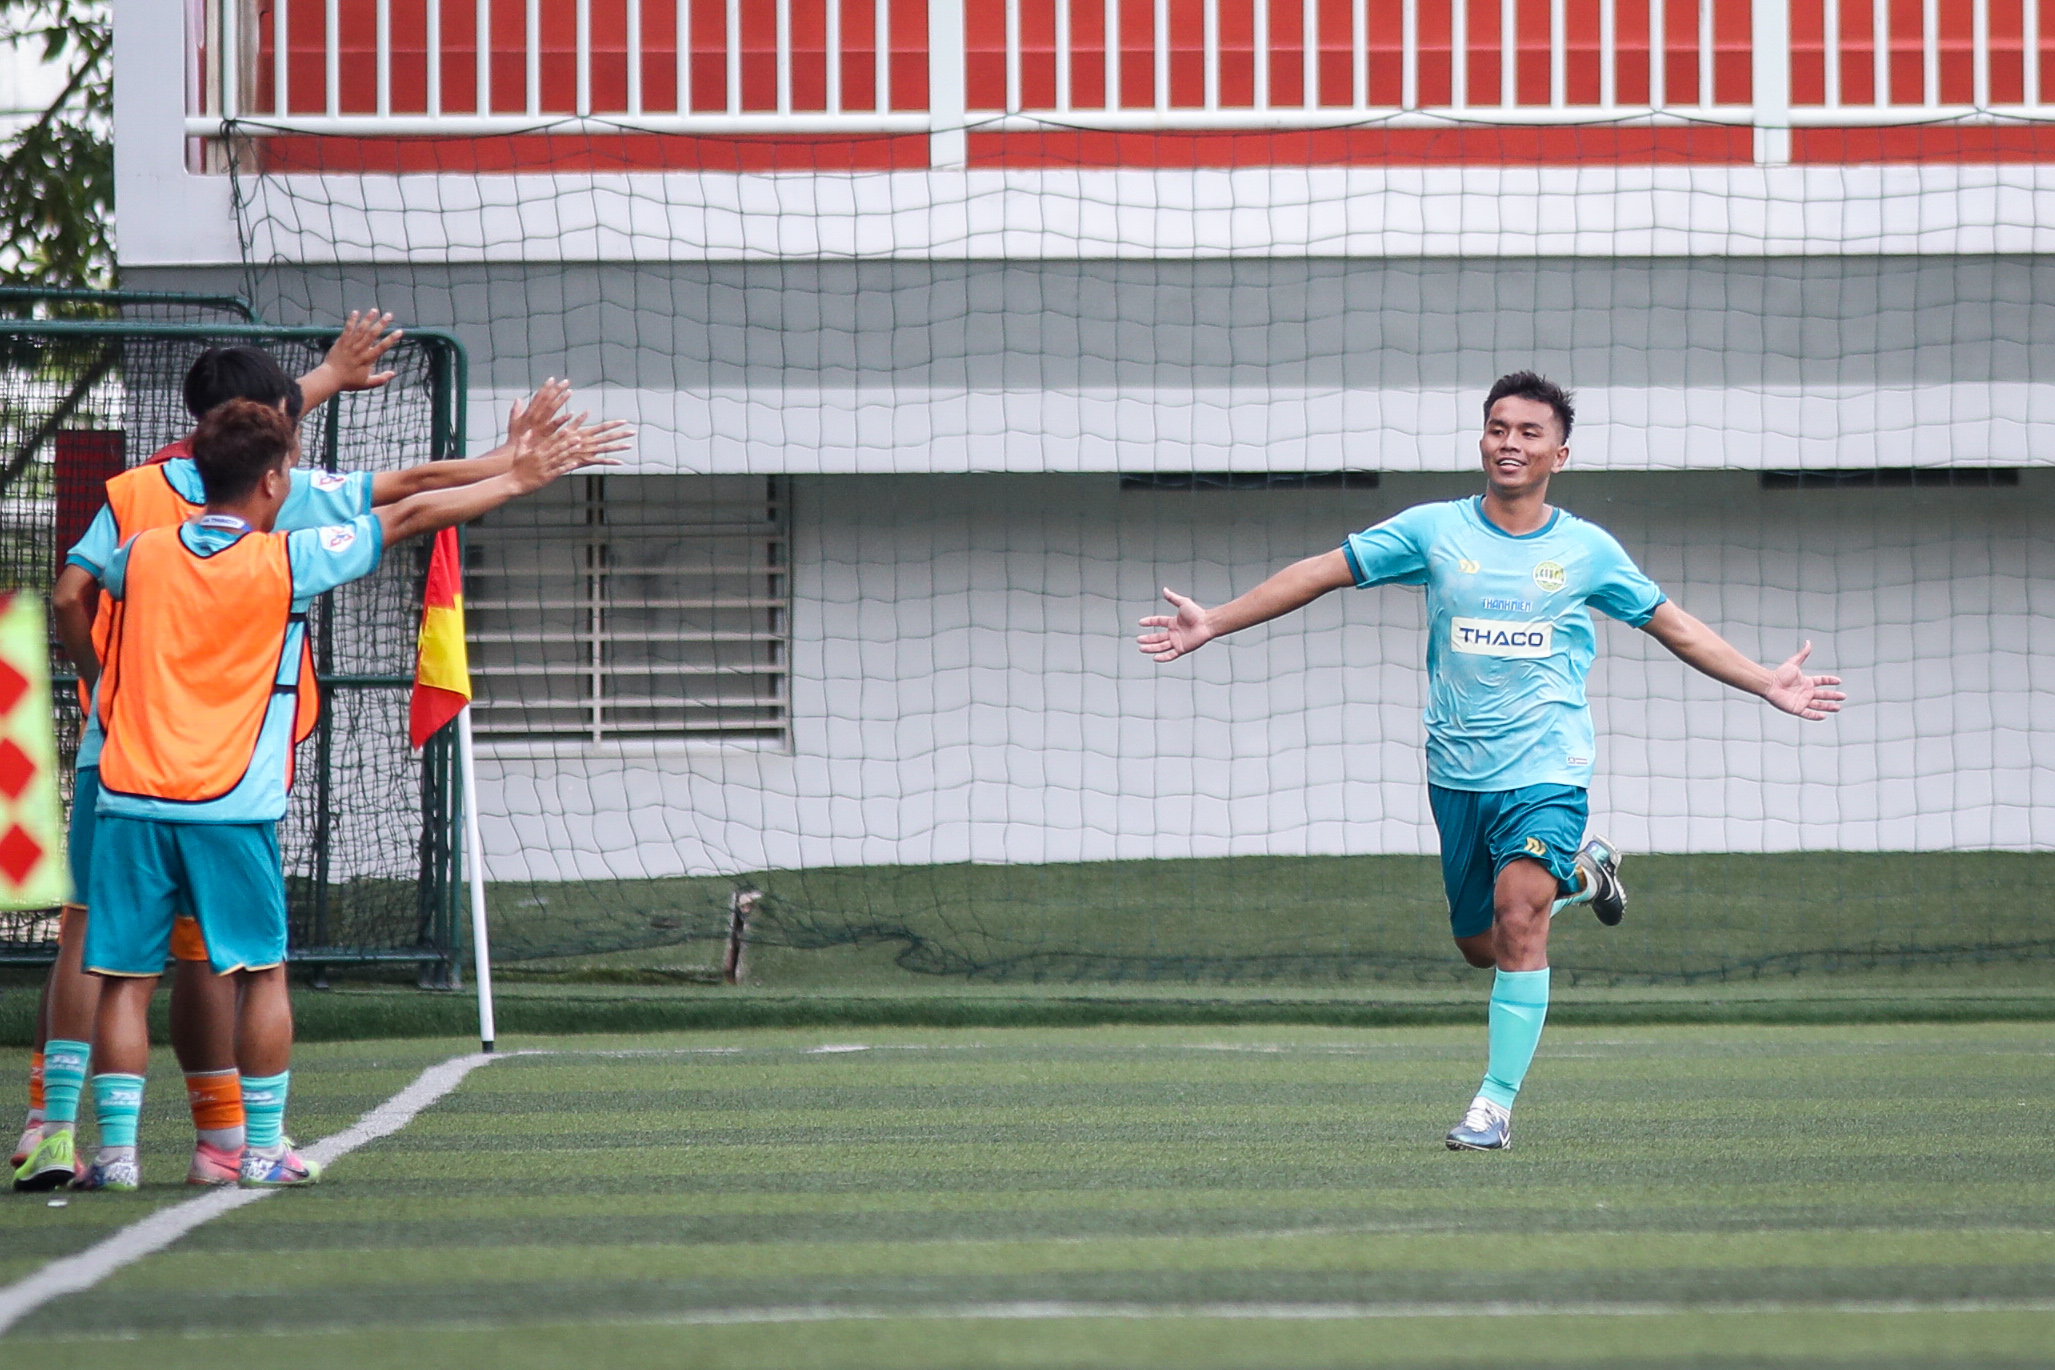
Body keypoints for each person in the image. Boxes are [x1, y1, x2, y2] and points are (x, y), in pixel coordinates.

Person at [1136, 371, 1845, 1151]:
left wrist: (1761, 680)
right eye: (1497, 428)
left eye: (1528, 432)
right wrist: (1218, 622)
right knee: (1482, 946)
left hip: (1548, 767)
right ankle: (1586, 875)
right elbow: (1320, 571)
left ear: (1559, 454)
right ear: (1482, 439)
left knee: (1517, 917)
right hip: (1456, 775)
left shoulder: (1584, 550)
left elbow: (1671, 625)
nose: (1510, 443)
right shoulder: (1434, 531)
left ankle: (1492, 1107)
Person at [11, 317, 626, 1191]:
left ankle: (70, 1136)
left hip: (125, 760)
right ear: (270, 459)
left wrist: (100, 678)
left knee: (104, 953)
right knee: (235, 960)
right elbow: (410, 495)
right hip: (229, 781)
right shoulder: (286, 522)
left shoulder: (135, 509)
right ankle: (234, 1140)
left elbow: (70, 593)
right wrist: (515, 466)